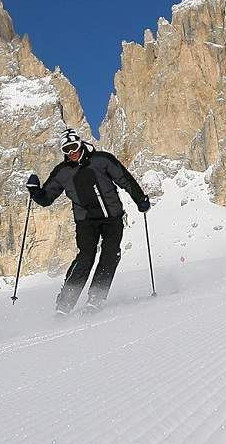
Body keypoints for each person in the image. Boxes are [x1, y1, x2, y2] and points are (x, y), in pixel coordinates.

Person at [27, 128, 150, 314]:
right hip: (85, 222)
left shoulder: (101, 160)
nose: (72, 152)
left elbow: (125, 179)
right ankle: (65, 304)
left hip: (112, 218)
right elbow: (46, 199)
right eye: (67, 150)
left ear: (81, 144)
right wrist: (35, 191)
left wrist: (140, 199)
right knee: (86, 258)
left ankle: (96, 297)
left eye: (74, 146)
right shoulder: (62, 172)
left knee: (110, 254)